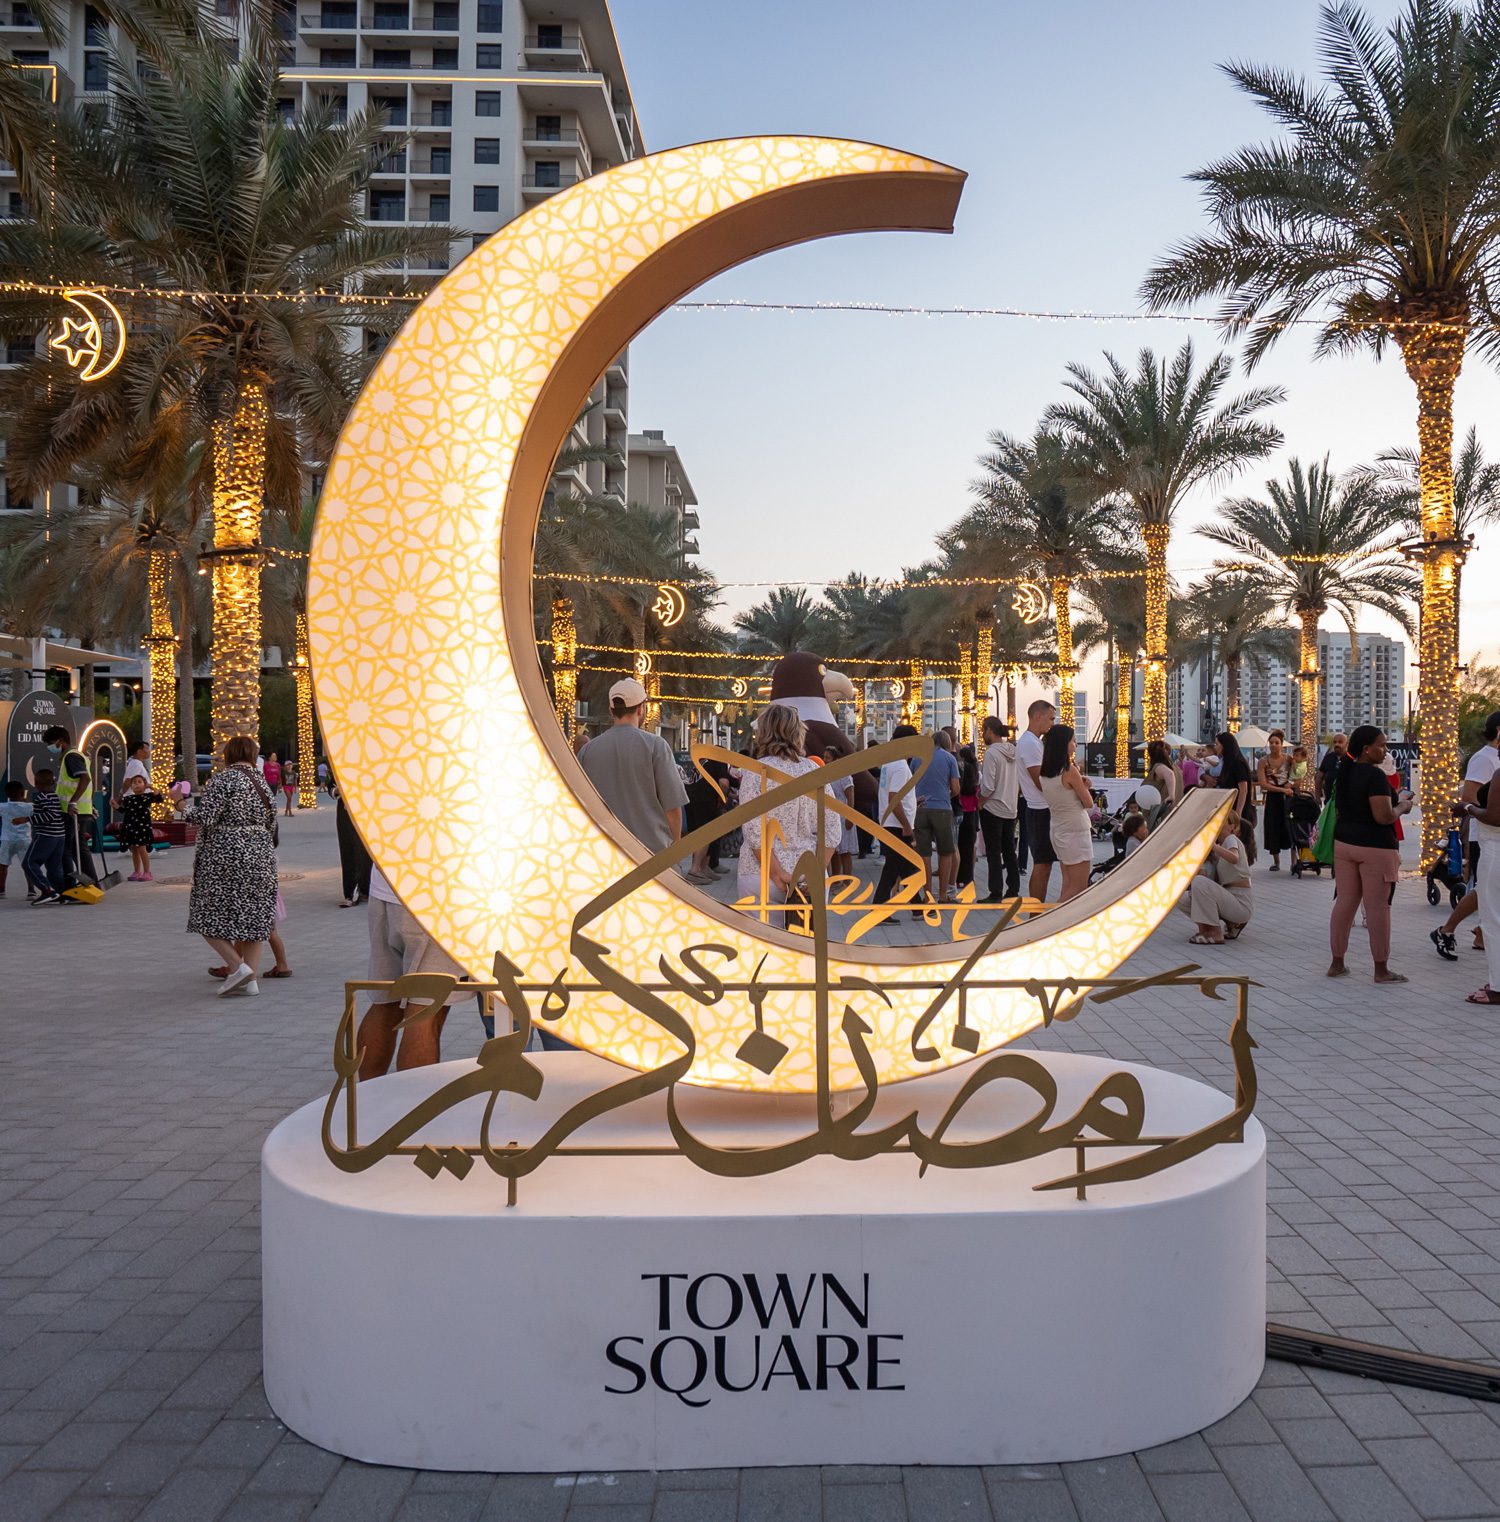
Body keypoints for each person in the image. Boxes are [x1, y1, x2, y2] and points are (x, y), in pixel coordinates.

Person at [186, 735, 278, 997]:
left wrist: (181, 805)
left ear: (229, 754)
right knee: (254, 920)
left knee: (206, 915)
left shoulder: (223, 780)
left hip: (226, 857)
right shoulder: (262, 783)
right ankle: (251, 982)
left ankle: (238, 968)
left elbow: (205, 817)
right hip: (261, 856)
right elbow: (272, 824)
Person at [357, 866, 466, 1077]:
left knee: (386, 1002)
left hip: (385, 887)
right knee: (425, 1010)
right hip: (436, 895)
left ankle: (366, 1093)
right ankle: (415, 1096)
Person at [1327, 725, 1412, 985]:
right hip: (1376, 847)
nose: (1385, 750)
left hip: (1345, 843)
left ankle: (1337, 963)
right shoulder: (1375, 776)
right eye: (1382, 745)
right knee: (1378, 908)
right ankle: (1381, 969)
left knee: (1345, 903)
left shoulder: (1345, 772)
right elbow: (1383, 816)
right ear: (1366, 749)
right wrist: (1403, 806)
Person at [735, 705, 841, 910]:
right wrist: (817, 871)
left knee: (760, 932)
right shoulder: (814, 771)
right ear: (798, 732)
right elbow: (832, 828)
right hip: (806, 871)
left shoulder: (756, 773)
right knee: (806, 932)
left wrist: (776, 872)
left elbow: (754, 830)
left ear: (763, 733)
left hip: (760, 874)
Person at [578, 677, 688, 855]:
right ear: (640, 709)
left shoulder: (587, 751)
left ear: (611, 710)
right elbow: (673, 807)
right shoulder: (656, 746)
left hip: (603, 853)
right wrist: (674, 850)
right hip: (650, 855)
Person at [1432, 711, 1500, 961]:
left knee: (1488, 890)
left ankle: (1477, 932)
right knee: (1484, 890)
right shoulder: (1484, 759)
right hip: (1488, 835)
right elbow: (1469, 797)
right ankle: (1448, 929)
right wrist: (1482, 810)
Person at [1177, 809, 1252, 944]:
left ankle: (1215, 933)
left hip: (1240, 902)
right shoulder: (1221, 847)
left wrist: (1214, 847)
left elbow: (1234, 857)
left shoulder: (1230, 839)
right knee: (1182, 898)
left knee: (1199, 882)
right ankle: (1207, 930)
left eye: (1222, 822)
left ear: (1231, 827)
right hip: (1229, 898)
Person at [1038, 723, 1094, 901]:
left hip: (1059, 828)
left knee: (1068, 883)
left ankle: (1060, 916)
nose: (1075, 745)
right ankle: (1054, 917)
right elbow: (1088, 802)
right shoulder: (1070, 771)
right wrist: (1085, 788)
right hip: (1076, 829)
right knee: (1078, 886)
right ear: (1064, 744)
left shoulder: (1045, 773)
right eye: (1073, 741)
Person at [41, 725, 98, 889]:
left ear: (60, 741)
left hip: (72, 811)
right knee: (78, 847)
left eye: (51, 743)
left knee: (66, 849)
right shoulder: (78, 755)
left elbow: (85, 779)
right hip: (81, 810)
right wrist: (91, 805)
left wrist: (73, 801)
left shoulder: (71, 757)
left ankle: (70, 886)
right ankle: (91, 883)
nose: (50, 747)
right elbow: (84, 783)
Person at [911, 728, 961, 906]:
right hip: (942, 809)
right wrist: (945, 794)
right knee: (945, 852)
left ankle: (927, 896)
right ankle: (942, 895)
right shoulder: (949, 759)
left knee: (924, 854)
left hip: (920, 809)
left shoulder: (917, 758)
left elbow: (910, 784)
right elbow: (956, 789)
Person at [873, 724, 919, 904]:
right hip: (898, 825)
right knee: (893, 869)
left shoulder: (889, 764)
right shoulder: (900, 767)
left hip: (891, 822)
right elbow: (894, 797)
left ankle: (918, 907)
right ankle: (879, 906)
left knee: (905, 867)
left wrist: (913, 801)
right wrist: (906, 825)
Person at [1017, 700, 1057, 901]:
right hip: (1039, 810)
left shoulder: (1033, 742)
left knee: (1045, 864)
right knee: (1042, 864)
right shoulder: (1030, 743)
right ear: (1038, 716)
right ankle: (1036, 911)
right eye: (1050, 718)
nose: (1052, 723)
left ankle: (1037, 909)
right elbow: (1041, 781)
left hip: (1039, 808)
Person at [978, 716, 1020, 902]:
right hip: (1011, 807)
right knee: (1009, 850)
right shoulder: (1013, 751)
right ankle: (1013, 888)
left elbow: (988, 785)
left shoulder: (991, 753)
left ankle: (995, 892)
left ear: (989, 730)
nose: (982, 734)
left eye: (983, 730)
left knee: (994, 852)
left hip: (993, 808)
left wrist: (980, 802)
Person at [23, 768, 67, 905]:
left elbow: (51, 815)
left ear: (36, 783)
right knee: (54, 868)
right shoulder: (54, 796)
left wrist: (27, 819)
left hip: (46, 835)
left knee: (29, 863)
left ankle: (47, 890)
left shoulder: (42, 796)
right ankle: (62, 893)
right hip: (59, 836)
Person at [1214, 732, 1256, 865]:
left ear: (1225, 745)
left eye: (1217, 744)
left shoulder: (1238, 763)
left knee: (1238, 842)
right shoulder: (1227, 763)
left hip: (1237, 810)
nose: (1215, 747)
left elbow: (1243, 789)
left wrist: (1238, 813)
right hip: (1229, 809)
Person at [1257, 729, 1294, 871]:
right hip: (1273, 797)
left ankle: (1293, 861)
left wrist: (1289, 786)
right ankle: (1276, 861)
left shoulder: (1289, 760)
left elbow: (1297, 776)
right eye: (1271, 742)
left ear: (1281, 744)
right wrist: (1282, 790)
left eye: (1276, 742)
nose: (1273, 745)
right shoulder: (1263, 761)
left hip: (1288, 797)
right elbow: (1263, 784)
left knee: (1290, 827)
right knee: (1273, 827)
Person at [117, 773, 163, 882]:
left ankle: (147, 872)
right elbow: (125, 811)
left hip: (143, 827)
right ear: (131, 786)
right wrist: (116, 806)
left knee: (142, 849)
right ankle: (137, 871)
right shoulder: (128, 798)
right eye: (134, 782)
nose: (136, 784)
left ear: (144, 784)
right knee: (134, 850)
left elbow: (159, 798)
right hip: (132, 827)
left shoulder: (147, 796)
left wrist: (151, 787)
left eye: (139, 782)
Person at [335, 789, 372, 906]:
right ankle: (351, 892)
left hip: (367, 810)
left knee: (366, 851)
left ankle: (365, 889)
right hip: (346, 813)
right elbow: (332, 784)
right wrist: (337, 790)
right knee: (348, 850)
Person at [0, 780, 32, 898]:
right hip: (24, 840)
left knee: (3, 864)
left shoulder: (2, 807)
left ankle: (1, 890)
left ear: (7, 794)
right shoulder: (29, 806)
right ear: (23, 793)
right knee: (27, 865)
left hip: (7, 840)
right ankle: (31, 890)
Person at [955, 743, 980, 892]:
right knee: (969, 848)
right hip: (972, 815)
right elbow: (978, 801)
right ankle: (969, 879)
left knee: (958, 847)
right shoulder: (975, 778)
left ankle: (958, 878)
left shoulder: (960, 774)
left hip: (959, 813)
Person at [1317, 732, 1348, 804]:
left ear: (1346, 744)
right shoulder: (1328, 757)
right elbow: (1319, 777)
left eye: (1340, 742)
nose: (1337, 744)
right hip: (1329, 801)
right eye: (1335, 742)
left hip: (1347, 802)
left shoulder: (1352, 758)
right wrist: (1317, 796)